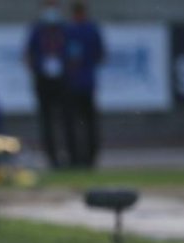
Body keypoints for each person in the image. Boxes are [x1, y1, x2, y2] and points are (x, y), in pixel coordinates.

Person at [25, 0, 74, 169]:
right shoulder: (37, 29)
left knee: (67, 119)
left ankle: (73, 157)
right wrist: (38, 68)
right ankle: (53, 159)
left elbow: (73, 52)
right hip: (44, 79)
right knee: (46, 121)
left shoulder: (65, 29)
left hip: (63, 79)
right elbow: (28, 54)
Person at [64, 0, 105, 168]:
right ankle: (85, 158)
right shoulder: (88, 29)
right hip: (81, 83)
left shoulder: (71, 30)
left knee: (81, 124)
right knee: (84, 124)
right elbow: (100, 55)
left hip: (77, 83)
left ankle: (82, 159)